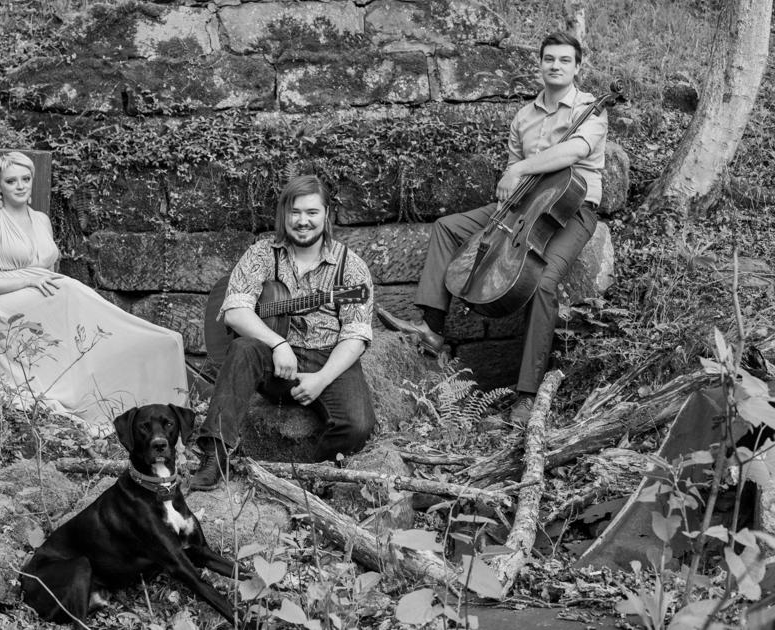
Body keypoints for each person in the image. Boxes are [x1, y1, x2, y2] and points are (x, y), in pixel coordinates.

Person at [376, 31, 608, 424]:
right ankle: (432, 328)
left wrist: (518, 169)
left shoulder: (590, 109)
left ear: (577, 67)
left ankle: (527, 397)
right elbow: (515, 175)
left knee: (543, 283)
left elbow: (574, 151)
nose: (555, 66)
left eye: (564, 60)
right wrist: (506, 204)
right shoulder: (524, 116)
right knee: (447, 228)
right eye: (549, 59)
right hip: (524, 205)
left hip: (573, 209)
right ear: (540, 64)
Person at [0, 151, 188, 437]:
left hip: (36, 294)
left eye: (25, 179)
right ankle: (100, 360)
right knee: (69, 289)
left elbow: (48, 270)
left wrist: (40, 284)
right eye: (11, 181)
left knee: (70, 297)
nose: (20, 186)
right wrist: (29, 281)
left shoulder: (41, 220)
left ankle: (146, 346)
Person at [191, 174, 376, 490]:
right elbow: (234, 310)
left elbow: (355, 335)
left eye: (312, 212)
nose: (303, 221)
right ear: (283, 215)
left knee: (358, 426)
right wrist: (277, 343)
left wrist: (322, 378)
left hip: (327, 356)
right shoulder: (262, 254)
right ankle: (215, 456)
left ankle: (311, 476)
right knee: (243, 348)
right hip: (273, 361)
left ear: (326, 215)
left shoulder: (351, 266)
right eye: (295, 212)